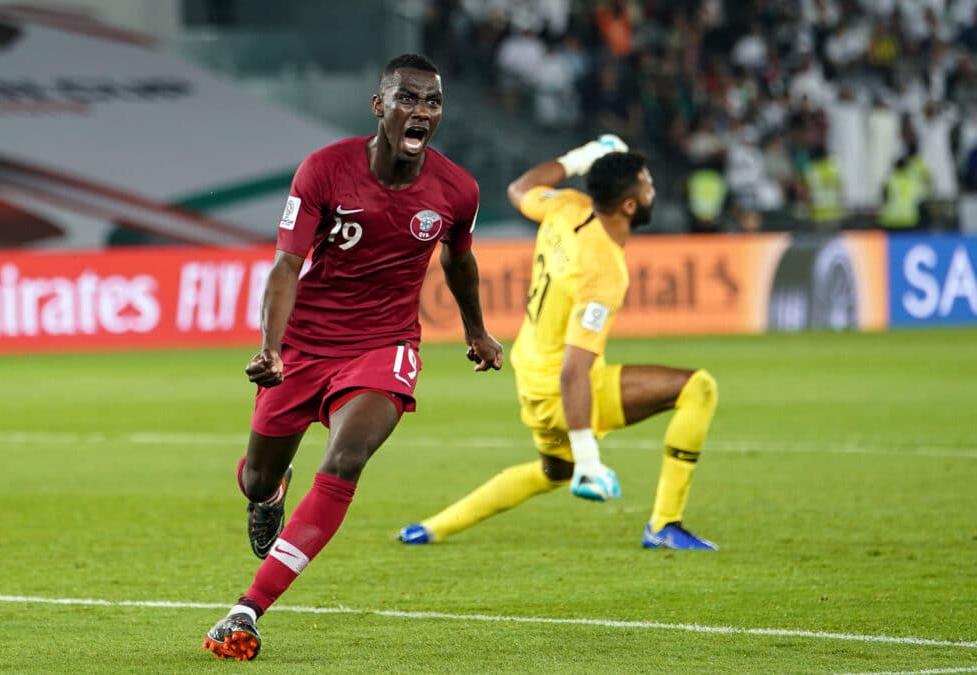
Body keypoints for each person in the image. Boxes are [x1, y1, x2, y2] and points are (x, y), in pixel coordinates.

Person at [201, 53, 503, 662]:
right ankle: (268, 492)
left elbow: (459, 259)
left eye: (433, 102)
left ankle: (247, 610)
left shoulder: (456, 189)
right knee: (257, 477)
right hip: (305, 346)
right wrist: (271, 347)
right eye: (409, 99)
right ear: (380, 105)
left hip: (384, 346)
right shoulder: (324, 170)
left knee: (346, 457)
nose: (422, 111)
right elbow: (288, 265)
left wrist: (477, 330)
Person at [398, 139, 719, 551]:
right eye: (646, 185)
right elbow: (574, 370)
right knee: (699, 388)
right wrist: (590, 458)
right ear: (628, 206)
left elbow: (519, 188)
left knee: (553, 471)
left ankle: (433, 527)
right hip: (560, 388)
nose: (652, 189)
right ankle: (664, 524)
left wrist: (580, 158)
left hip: (530, 380)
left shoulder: (566, 207)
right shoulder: (604, 271)